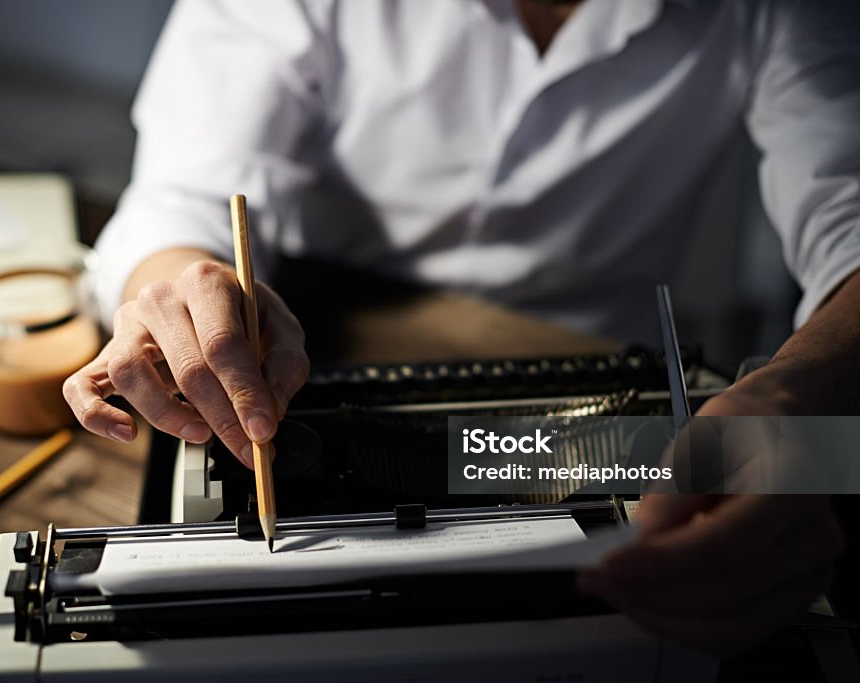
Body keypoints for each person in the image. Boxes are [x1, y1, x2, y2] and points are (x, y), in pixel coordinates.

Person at [63, 0, 858, 656]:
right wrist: (182, 290)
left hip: (607, 382)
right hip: (302, 356)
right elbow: (187, 190)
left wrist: (795, 400)